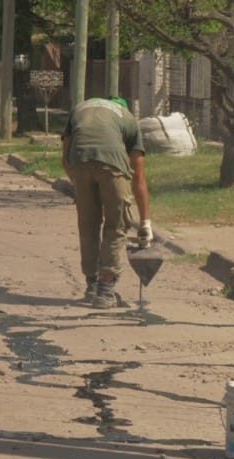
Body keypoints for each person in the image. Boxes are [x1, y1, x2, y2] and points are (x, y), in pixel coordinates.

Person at [62, 96, 153, 309]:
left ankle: (92, 285)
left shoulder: (80, 108)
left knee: (88, 224)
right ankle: (105, 289)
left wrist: (79, 183)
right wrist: (146, 222)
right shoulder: (129, 119)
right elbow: (138, 176)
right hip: (112, 164)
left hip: (79, 161)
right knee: (116, 224)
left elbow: (65, 158)